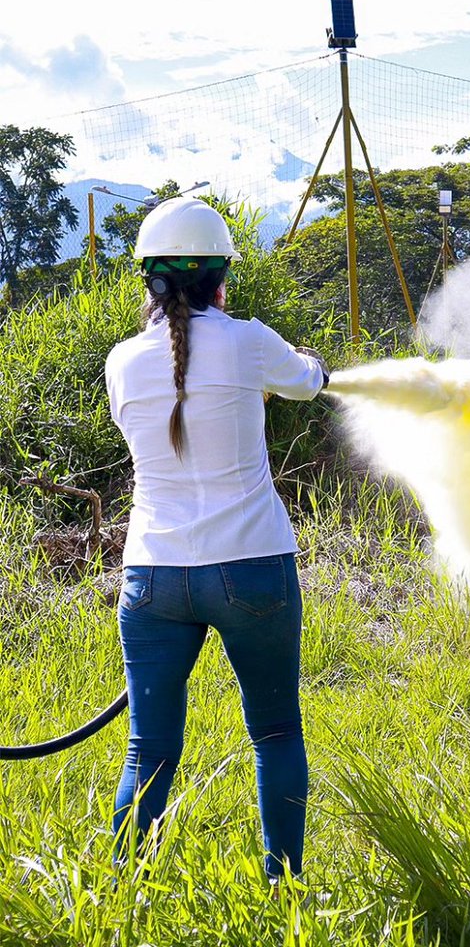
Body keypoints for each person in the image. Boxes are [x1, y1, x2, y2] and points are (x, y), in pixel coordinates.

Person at [105, 196, 328, 885]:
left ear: (149, 281)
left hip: (152, 577)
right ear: (221, 278)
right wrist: (300, 366)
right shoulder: (248, 340)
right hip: (251, 569)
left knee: (148, 749)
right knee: (276, 733)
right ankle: (283, 889)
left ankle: (120, 891)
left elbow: (171, 421)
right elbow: (308, 381)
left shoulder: (120, 361)